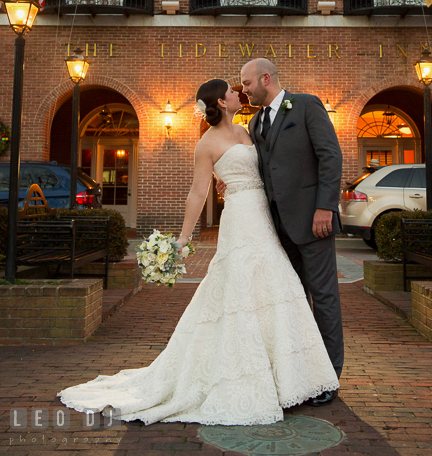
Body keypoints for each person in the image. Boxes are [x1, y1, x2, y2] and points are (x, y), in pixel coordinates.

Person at [58, 79, 339, 426]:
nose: (241, 93)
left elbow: (270, 168)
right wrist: (183, 238)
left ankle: (291, 378)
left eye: (242, 87)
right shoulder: (206, 143)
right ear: (221, 102)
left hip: (264, 219)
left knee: (277, 287)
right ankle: (243, 377)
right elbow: (196, 192)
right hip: (239, 219)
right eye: (234, 92)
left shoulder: (249, 129)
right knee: (241, 290)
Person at [221, 58, 344, 406]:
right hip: (277, 227)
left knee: (323, 298)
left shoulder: (306, 105)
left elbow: (330, 156)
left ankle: (329, 377)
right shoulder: (257, 120)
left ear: (265, 78)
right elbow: (262, 167)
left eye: (246, 83)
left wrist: (325, 206)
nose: (243, 90)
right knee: (291, 300)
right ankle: (300, 372)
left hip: (313, 221)